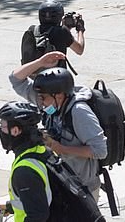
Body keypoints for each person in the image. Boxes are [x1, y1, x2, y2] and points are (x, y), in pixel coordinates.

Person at [9, 53, 108, 208]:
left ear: (60, 95)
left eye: (43, 98)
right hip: (60, 185)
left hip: (81, 188)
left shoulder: (79, 112)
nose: (39, 102)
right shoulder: (49, 104)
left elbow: (100, 150)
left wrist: (59, 148)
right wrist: (40, 62)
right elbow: (15, 79)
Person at [20, 0, 85, 69]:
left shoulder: (32, 30)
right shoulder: (62, 31)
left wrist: (65, 29)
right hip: (56, 76)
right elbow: (79, 50)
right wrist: (80, 30)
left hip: (32, 75)